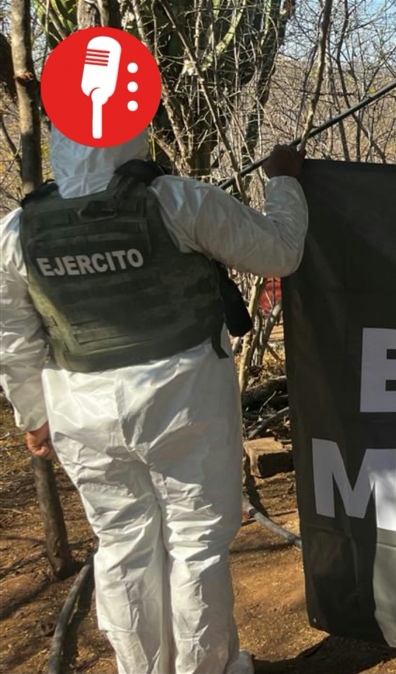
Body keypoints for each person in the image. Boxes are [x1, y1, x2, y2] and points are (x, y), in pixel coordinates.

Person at [0, 127, 308, 674]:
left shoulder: (18, 229)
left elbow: (14, 337)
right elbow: (280, 252)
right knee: (195, 543)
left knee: (121, 543)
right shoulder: (176, 200)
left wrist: (34, 414)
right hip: (185, 403)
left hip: (81, 412)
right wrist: (284, 181)